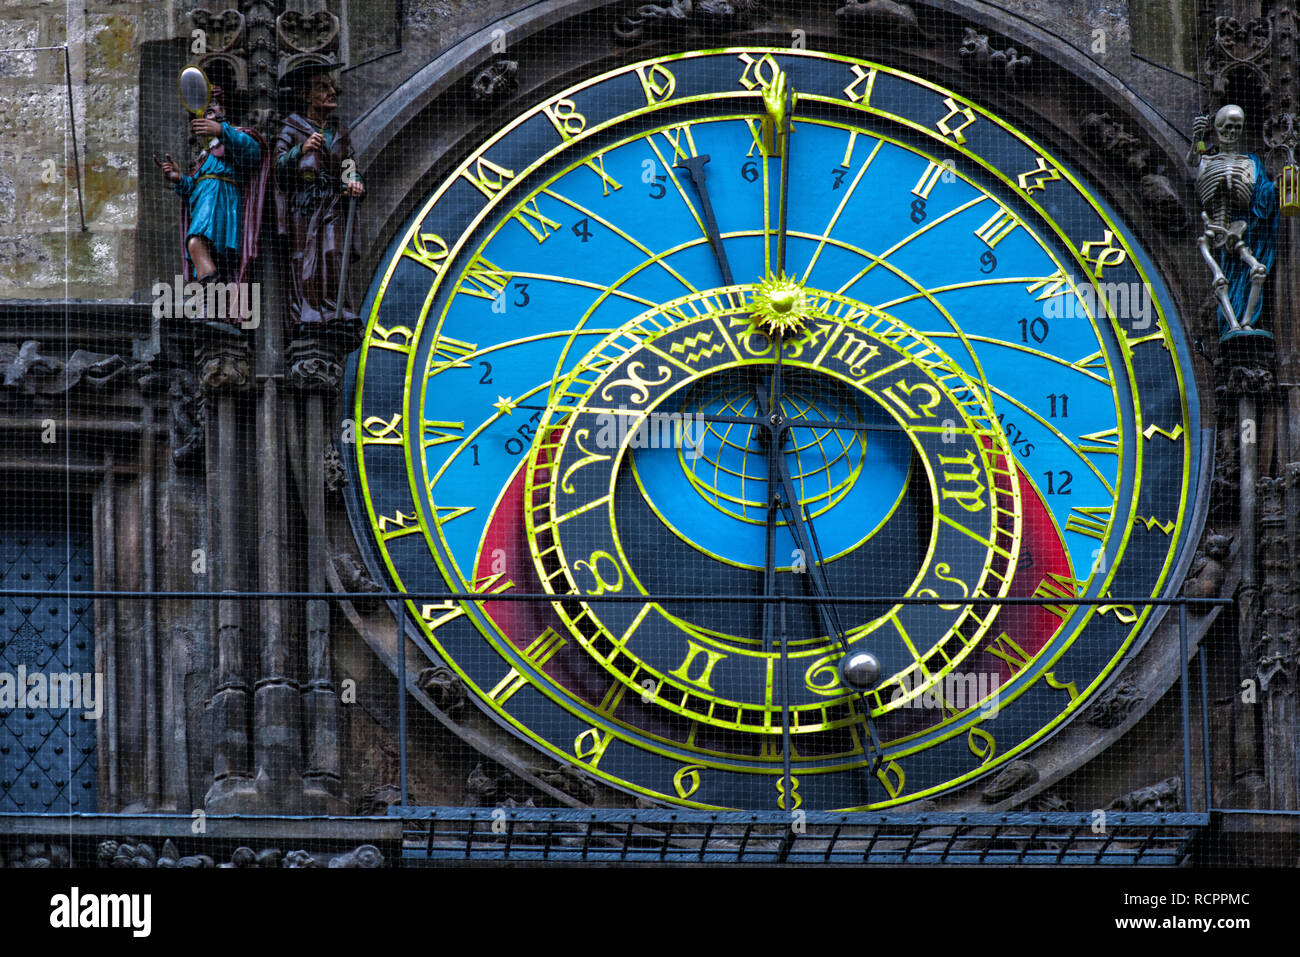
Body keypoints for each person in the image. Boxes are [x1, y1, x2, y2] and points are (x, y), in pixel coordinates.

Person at [159, 88, 270, 323]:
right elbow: (196, 189)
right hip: (205, 205)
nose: (205, 117)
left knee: (196, 243)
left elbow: (252, 154)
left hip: (224, 204)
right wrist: (180, 180)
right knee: (199, 246)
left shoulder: (237, 136)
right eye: (201, 114)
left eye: (211, 110)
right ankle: (213, 301)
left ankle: (213, 301)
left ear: (224, 110)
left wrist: (222, 130)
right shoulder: (205, 154)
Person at [274, 64, 365, 334]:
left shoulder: (340, 134)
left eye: (331, 86)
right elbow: (277, 167)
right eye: (322, 87)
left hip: (333, 202)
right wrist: (300, 150)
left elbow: (349, 166)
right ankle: (309, 312)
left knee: (333, 251)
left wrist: (354, 182)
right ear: (305, 96)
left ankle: (335, 309)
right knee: (306, 257)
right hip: (305, 204)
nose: (331, 91)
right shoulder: (292, 128)